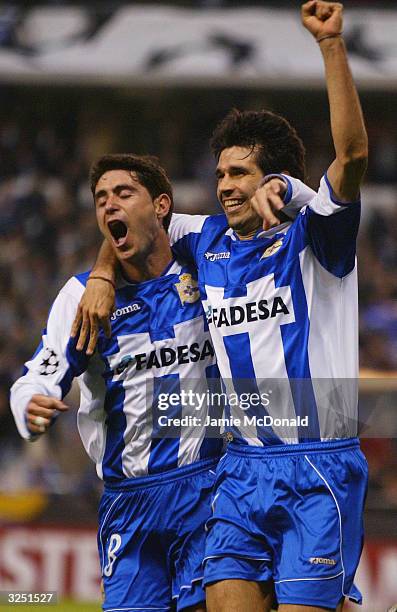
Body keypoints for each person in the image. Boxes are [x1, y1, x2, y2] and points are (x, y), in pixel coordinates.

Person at [70, 2, 368, 610]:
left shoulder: (316, 237)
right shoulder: (204, 238)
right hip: (240, 471)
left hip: (317, 467)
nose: (226, 184)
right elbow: (130, 218)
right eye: (221, 172)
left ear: (274, 178)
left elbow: (353, 158)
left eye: (241, 173)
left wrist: (332, 45)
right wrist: (102, 274)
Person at [11, 154, 226, 612]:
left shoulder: (208, 267)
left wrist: (106, 268)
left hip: (207, 489)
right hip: (128, 504)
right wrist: (31, 404)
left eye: (124, 194)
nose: (110, 206)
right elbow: (39, 376)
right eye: (101, 200)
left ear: (162, 205)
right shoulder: (80, 297)